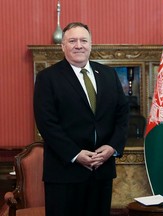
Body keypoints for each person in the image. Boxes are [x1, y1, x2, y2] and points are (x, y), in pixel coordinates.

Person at [34, 22, 129, 216]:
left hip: (101, 170)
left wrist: (112, 147)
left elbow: (122, 116)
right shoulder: (48, 78)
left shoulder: (108, 75)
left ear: (91, 44)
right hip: (65, 173)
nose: (79, 45)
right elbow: (47, 123)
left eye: (83, 40)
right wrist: (76, 154)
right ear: (63, 46)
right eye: (72, 41)